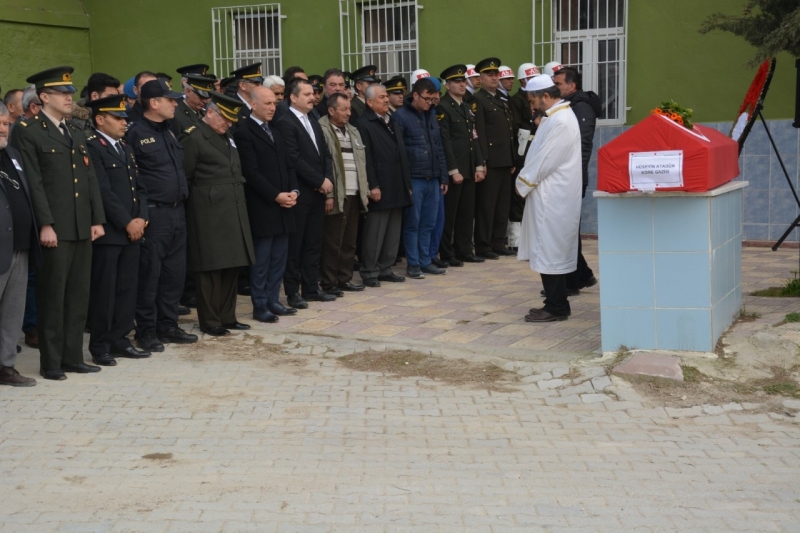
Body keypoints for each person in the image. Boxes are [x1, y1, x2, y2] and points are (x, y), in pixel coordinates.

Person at [9, 66, 107, 380]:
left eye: (69, 93)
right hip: (56, 227)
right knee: (54, 294)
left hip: (81, 225)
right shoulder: (29, 130)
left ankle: (73, 356)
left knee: (78, 294)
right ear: (44, 96)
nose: (68, 98)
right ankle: (51, 362)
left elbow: (89, 178)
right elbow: (34, 182)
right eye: (62, 94)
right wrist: (46, 224)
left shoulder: (74, 130)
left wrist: (96, 219)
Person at [126, 79, 198, 352]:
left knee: (174, 274)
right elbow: (133, 179)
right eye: (170, 99)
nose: (175, 103)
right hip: (154, 214)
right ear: (153, 103)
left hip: (177, 212)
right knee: (150, 274)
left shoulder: (168, 130)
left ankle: (168, 325)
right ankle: (146, 330)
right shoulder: (135, 133)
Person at [181, 91, 255, 336]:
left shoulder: (227, 136)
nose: (228, 123)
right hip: (208, 213)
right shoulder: (195, 137)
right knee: (210, 269)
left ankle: (227, 316)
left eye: (231, 119)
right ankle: (211, 321)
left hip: (232, 209)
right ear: (210, 112)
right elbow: (186, 177)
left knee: (231, 266)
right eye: (224, 118)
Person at [85, 94, 151, 365]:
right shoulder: (93, 146)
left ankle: (120, 338)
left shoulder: (125, 147)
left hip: (133, 232)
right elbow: (102, 191)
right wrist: (127, 221)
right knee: (105, 291)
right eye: (118, 117)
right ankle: (100, 345)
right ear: (100, 119)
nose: (125, 122)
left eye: (125, 117)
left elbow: (140, 188)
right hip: (112, 233)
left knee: (127, 289)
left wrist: (142, 218)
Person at [516, 75, 582, 323]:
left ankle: (557, 306)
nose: (532, 107)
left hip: (553, 196)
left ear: (546, 96)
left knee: (550, 249)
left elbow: (546, 160)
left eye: (534, 101)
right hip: (548, 194)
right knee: (547, 248)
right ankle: (554, 302)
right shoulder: (554, 117)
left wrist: (523, 182)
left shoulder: (561, 121)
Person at [234, 86, 298, 323]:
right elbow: (251, 173)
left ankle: (273, 299)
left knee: (279, 258)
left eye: (274, 103)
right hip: (264, 206)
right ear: (253, 104)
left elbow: (289, 165)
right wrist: (276, 196)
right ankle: (259, 304)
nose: (273, 107)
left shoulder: (276, 131)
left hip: (285, 205)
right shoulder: (244, 132)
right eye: (268, 103)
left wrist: (293, 191)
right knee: (261, 260)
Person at [273, 79, 335, 309]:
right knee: (295, 246)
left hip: (318, 193)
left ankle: (311, 288)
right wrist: (319, 180)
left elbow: (325, 154)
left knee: (313, 243)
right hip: (300, 193)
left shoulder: (313, 119)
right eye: (307, 94)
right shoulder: (285, 122)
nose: (313, 97)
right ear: (294, 97)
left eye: (313, 94)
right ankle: (292, 292)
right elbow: (293, 158)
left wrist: (326, 179)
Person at [389, 77, 448, 280]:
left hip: (433, 178)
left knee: (428, 223)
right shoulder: (400, 117)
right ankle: (413, 263)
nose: (431, 102)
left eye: (433, 99)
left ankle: (425, 261)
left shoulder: (431, 115)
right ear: (415, 95)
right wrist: (406, 183)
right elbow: (400, 154)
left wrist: (443, 176)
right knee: (413, 223)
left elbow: (438, 147)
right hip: (414, 178)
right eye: (427, 98)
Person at [356, 84, 411, 287]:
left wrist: (407, 182)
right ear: (369, 102)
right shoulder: (364, 123)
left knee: (392, 230)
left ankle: (385, 268)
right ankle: (370, 271)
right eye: (382, 97)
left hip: (397, 183)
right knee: (375, 231)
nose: (387, 100)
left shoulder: (391, 120)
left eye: (387, 96)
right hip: (380, 184)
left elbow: (402, 154)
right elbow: (366, 158)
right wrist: (373, 185)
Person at [0, 102, 39, 386]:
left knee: (13, 312)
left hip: (19, 246)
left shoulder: (12, 155)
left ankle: (5, 366)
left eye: (5, 124)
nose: (4, 128)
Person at [553, 66, 601, 295]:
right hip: (568, 177)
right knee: (566, 229)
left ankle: (572, 281)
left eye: (559, 84)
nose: (555, 88)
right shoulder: (568, 105)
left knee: (569, 230)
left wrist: (574, 175)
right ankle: (583, 275)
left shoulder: (580, 107)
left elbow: (581, 145)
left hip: (573, 178)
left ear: (572, 86)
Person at [318, 93, 369, 295]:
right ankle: (329, 282)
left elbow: (361, 164)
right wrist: (328, 195)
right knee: (332, 241)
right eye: (344, 109)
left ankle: (344, 279)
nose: (349, 113)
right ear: (331, 110)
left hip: (354, 193)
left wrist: (363, 191)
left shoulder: (353, 131)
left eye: (349, 109)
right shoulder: (322, 129)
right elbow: (324, 164)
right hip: (336, 194)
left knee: (349, 240)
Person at [436, 65, 486, 266]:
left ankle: (464, 249)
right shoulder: (443, 107)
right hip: (455, 169)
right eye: (457, 82)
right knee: (451, 215)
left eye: (463, 81)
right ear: (447, 86)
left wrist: (480, 165)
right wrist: (453, 170)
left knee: (467, 213)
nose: (462, 84)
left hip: (469, 167)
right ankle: (447, 253)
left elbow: (474, 137)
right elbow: (445, 141)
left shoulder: (466, 107)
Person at [473, 57, 516, 260]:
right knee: (487, 206)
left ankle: (498, 242)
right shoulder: (478, 99)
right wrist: (483, 162)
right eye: (489, 74)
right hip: (490, 161)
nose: (493, 77)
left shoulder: (500, 98)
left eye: (495, 74)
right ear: (480, 78)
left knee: (502, 205)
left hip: (505, 160)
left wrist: (512, 159)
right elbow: (479, 132)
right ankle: (483, 244)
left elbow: (508, 131)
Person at [508, 63, 541, 252]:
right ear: (523, 80)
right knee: (518, 193)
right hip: (522, 150)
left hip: (534, 148)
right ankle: (515, 239)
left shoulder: (537, 98)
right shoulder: (517, 100)